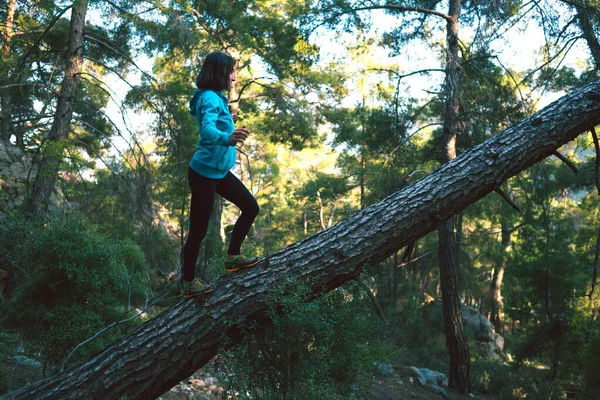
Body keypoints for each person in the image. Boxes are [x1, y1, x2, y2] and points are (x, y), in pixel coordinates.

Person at [181, 51, 260, 298]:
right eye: (230, 71)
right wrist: (228, 136)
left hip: (218, 171)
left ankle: (233, 257)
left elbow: (213, 120)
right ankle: (187, 282)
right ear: (219, 73)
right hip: (204, 173)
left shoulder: (216, 97)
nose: (234, 77)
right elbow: (207, 130)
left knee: (250, 207)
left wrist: (229, 121)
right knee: (199, 230)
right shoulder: (209, 98)